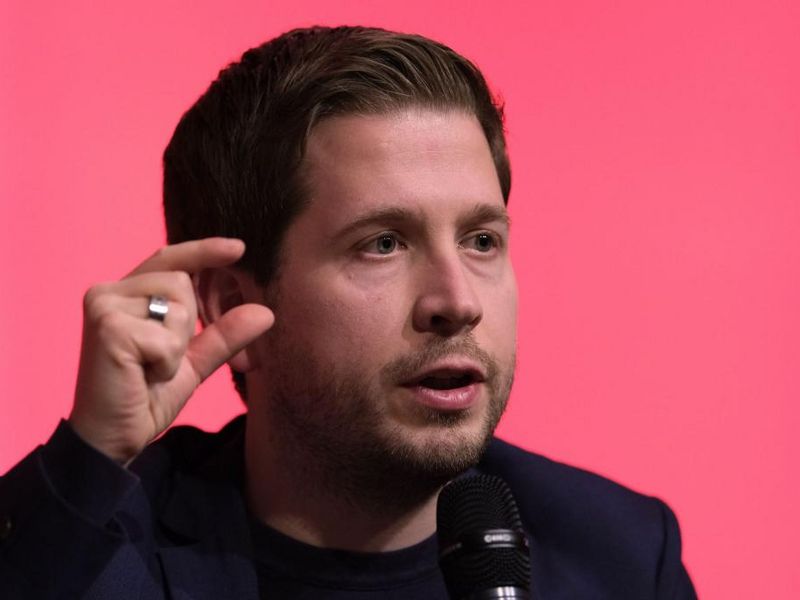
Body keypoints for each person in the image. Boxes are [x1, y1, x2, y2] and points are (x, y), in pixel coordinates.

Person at [0, 26, 696, 598]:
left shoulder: (621, 558)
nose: (457, 303)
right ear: (236, 305)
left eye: (481, 240)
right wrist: (89, 457)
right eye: (383, 244)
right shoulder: (88, 553)